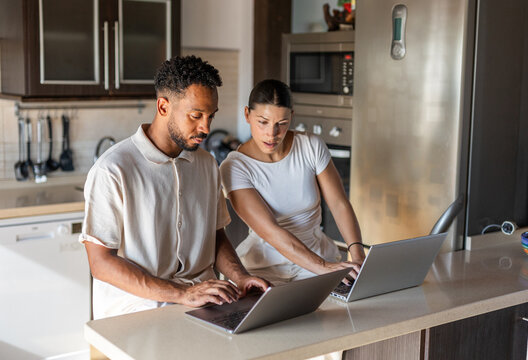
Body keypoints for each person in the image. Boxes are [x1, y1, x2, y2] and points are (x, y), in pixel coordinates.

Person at [79, 55, 269, 319]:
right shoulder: (113, 169)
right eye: (195, 115)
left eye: (210, 116)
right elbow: (100, 263)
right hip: (137, 308)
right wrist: (181, 294)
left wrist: (240, 277)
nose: (205, 127)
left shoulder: (206, 164)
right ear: (163, 106)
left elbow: (215, 235)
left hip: (203, 301)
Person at [220, 79, 366, 285]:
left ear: (292, 117)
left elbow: (339, 204)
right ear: (247, 115)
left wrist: (357, 254)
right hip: (264, 269)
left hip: (321, 259)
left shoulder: (310, 146)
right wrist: (324, 267)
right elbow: (271, 231)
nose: (272, 134)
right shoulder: (234, 167)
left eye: (282, 123)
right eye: (263, 122)